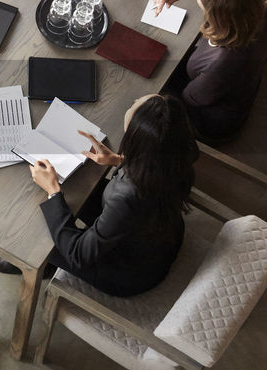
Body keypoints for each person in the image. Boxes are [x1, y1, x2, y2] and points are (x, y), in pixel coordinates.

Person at [28, 95, 198, 297]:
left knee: (33, 241)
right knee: (78, 189)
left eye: (135, 104)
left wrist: (53, 191)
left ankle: (34, 265)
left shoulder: (126, 197)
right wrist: (119, 160)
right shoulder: (177, 156)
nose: (135, 101)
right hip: (156, 236)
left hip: (125, 271)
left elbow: (78, 254)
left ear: (134, 137)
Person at [154, 0, 267, 139]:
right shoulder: (258, 10)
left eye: (201, 0)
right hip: (237, 83)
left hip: (210, 118)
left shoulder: (222, 63)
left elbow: (190, 98)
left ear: (218, 17)